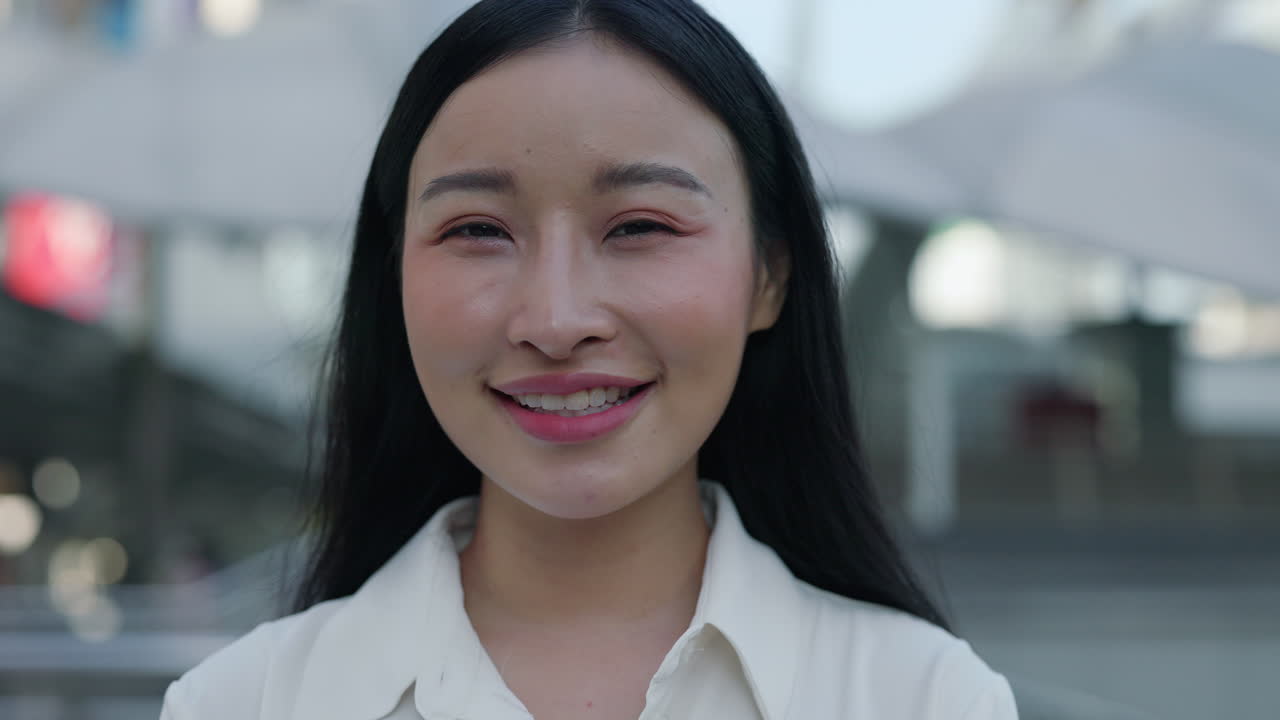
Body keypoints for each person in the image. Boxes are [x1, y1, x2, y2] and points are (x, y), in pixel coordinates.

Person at [160, 0, 1017, 718]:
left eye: (640, 226)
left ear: (768, 277)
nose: (556, 320)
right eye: (477, 230)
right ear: (394, 282)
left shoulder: (927, 700)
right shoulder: (241, 703)